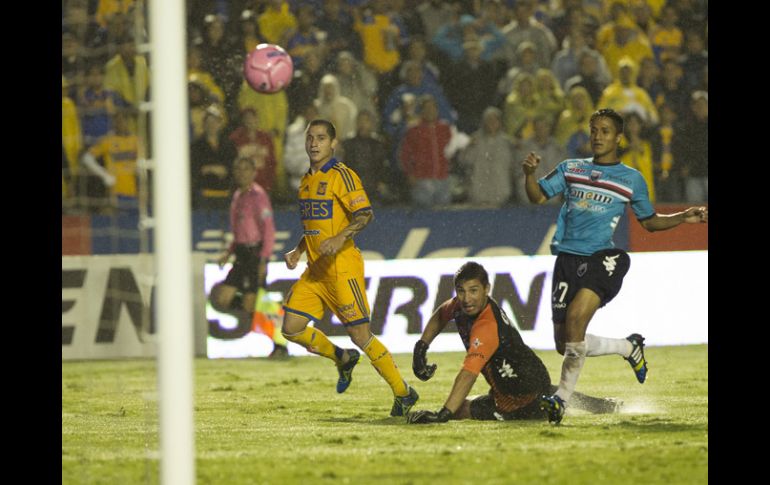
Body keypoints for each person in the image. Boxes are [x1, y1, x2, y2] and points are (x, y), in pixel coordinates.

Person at [521, 108, 708, 424]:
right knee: (564, 343)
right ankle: (627, 347)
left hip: (604, 258)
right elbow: (537, 197)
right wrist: (529, 174)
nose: (597, 136)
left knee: (577, 318)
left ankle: (560, 401)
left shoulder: (631, 179)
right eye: (594, 130)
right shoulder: (571, 168)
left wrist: (682, 217)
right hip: (566, 260)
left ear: (618, 137)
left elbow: (648, 221)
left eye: (605, 131)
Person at [280, 119, 419, 416]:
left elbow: (365, 215)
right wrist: (299, 249)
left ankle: (404, 392)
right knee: (291, 329)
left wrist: (340, 237)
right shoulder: (305, 181)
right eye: (310, 138)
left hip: (343, 268)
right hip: (316, 271)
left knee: (361, 335)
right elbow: (316, 227)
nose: (314, 143)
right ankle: (342, 358)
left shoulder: (343, 175)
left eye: (321, 138)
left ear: (334, 143)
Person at [406, 262, 622, 424]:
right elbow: (440, 315)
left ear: (486, 289)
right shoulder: (461, 305)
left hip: (516, 396)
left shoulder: (487, 325)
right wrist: (421, 347)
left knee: (460, 411)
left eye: (473, 290)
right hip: (529, 374)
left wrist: (442, 415)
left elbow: (468, 374)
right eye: (461, 291)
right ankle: (602, 405)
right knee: (540, 393)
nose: (466, 298)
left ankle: (552, 408)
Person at [209, 156, 289, 358]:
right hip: (241, 253)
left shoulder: (258, 196)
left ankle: (281, 344)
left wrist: (263, 259)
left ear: (253, 172)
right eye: (239, 169)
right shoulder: (238, 196)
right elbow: (238, 231)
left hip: (255, 253)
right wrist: (228, 253)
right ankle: (270, 314)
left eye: (246, 169)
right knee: (223, 298)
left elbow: (269, 230)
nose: (242, 173)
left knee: (257, 301)